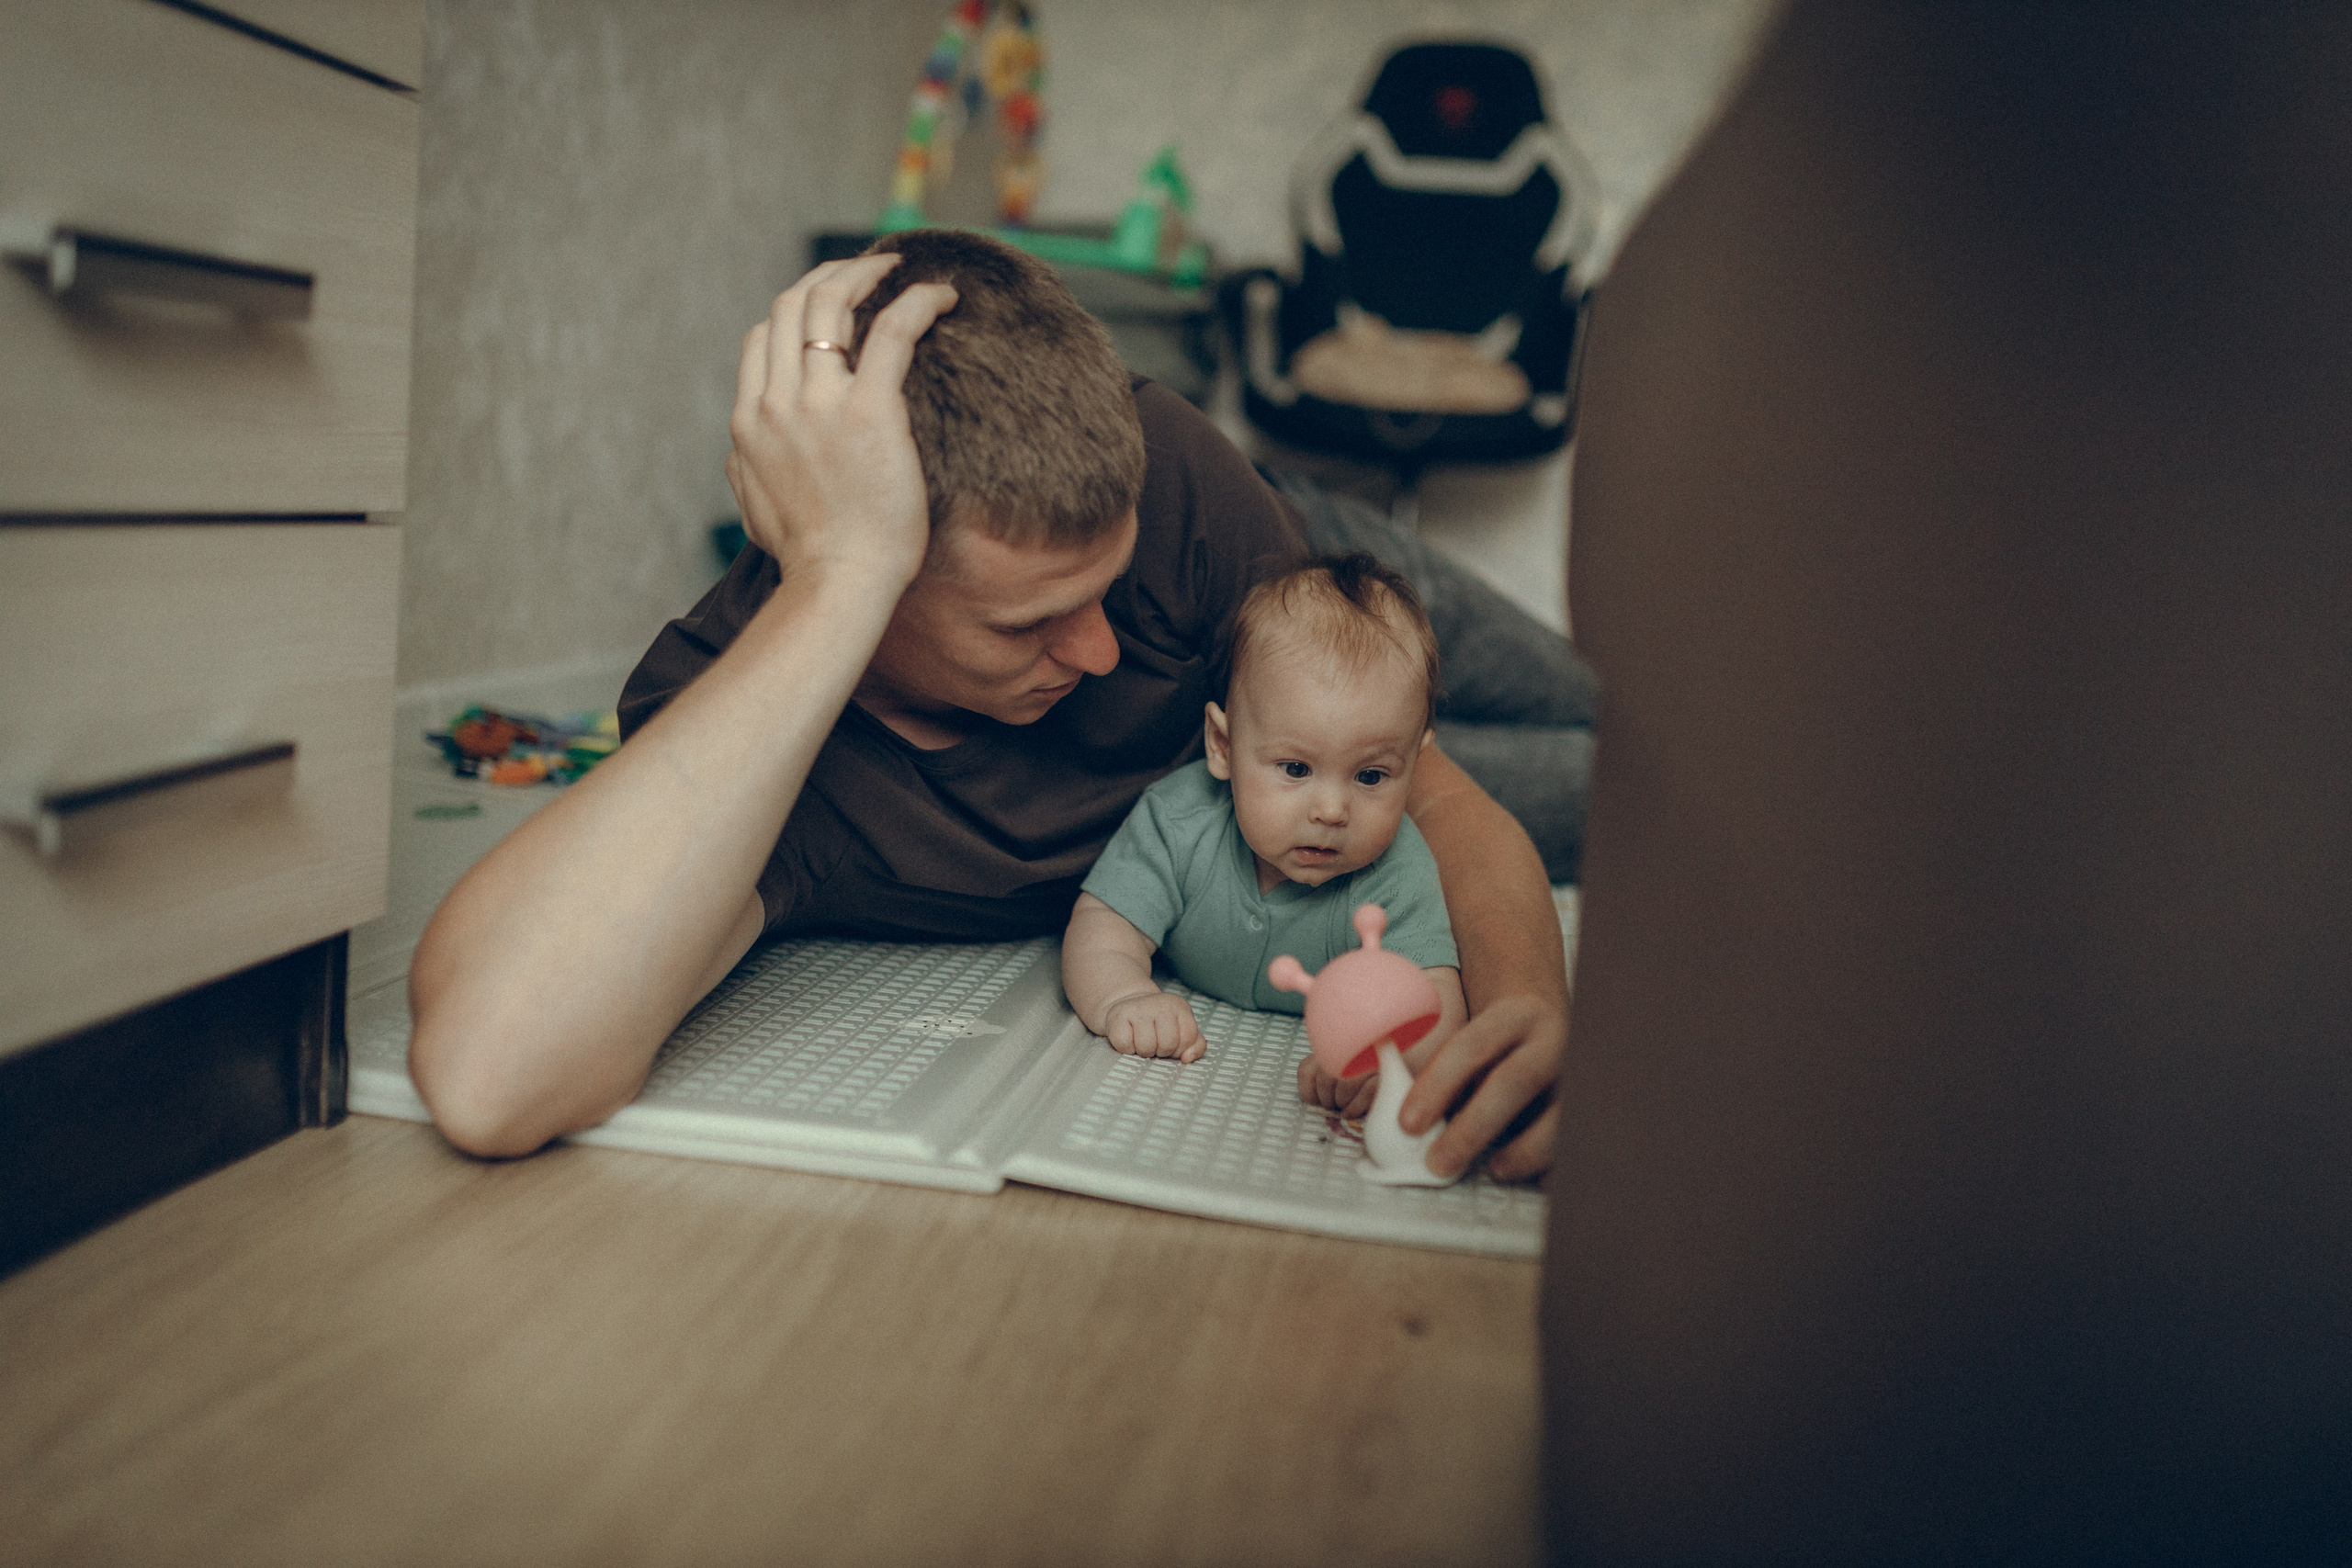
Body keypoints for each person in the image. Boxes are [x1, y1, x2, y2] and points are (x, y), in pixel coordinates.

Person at [407, 229, 1571, 1181]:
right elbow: (488, 1073)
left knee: (1639, 723)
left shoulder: (1168, 480)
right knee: (1630, 786)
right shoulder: (750, 731)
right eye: (1029, 624)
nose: (1103, 650)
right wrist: (839, 579)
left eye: (1106, 589)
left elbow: (1447, 808)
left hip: (1336, 612)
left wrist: (1520, 1018)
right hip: (1270, 767)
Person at [1063, 555, 1465, 1083]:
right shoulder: (1179, 819)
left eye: (1370, 776)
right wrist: (1125, 995)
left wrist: (1384, 1066)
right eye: (1296, 768)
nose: (1331, 810)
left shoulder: (1396, 870)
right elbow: (1102, 928)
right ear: (1223, 746)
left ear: (1414, 764)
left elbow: (1437, 1003)